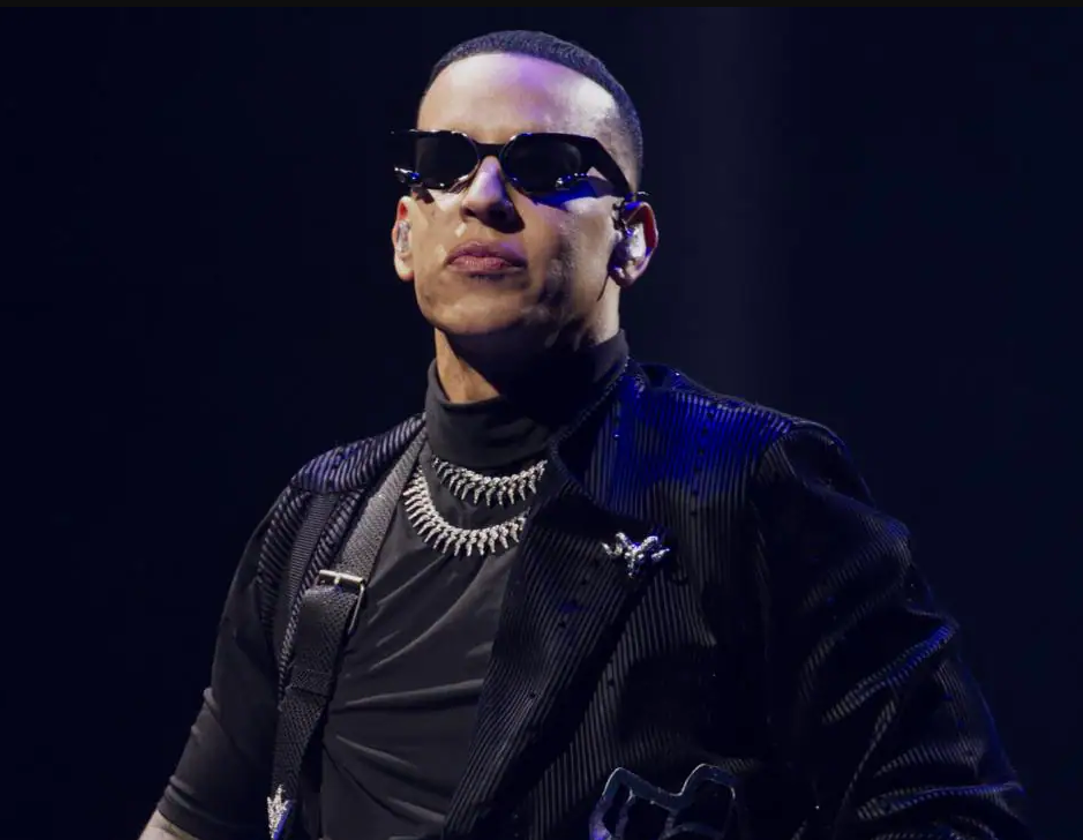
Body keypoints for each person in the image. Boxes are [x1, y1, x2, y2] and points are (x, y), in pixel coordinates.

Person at [139, 30, 1031, 840]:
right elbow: (196, 824)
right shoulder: (320, 517)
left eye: (547, 166)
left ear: (632, 239)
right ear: (406, 234)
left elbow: (952, 815)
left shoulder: (749, 484)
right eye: (446, 163)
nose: (485, 196)